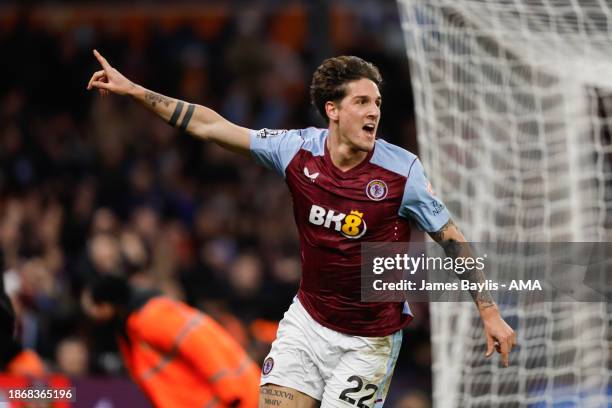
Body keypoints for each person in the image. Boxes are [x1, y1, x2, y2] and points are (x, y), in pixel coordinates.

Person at [87, 51, 516, 408]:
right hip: (307, 324)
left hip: (369, 344)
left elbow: (451, 238)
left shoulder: (402, 172)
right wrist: (136, 92)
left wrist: (489, 311)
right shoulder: (295, 150)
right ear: (333, 109)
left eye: (378, 103)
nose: (374, 112)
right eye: (362, 102)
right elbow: (212, 126)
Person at [81, 274, 260, 407]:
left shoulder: (152, 316)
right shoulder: (130, 332)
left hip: (240, 400)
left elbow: (202, 344)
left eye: (94, 308)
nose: (92, 316)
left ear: (107, 305)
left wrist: (231, 393)